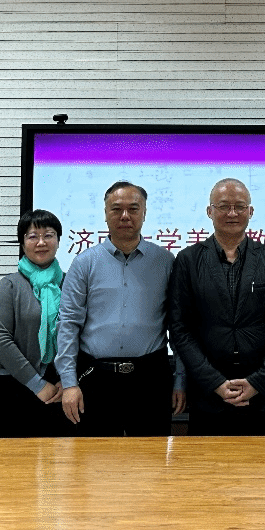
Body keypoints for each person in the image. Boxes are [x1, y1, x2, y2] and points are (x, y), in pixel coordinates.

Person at [56, 181, 184, 436]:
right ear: (105, 213)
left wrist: (180, 378)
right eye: (116, 209)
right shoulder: (84, 263)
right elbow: (68, 325)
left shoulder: (165, 261)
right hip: (96, 378)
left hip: (151, 378)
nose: (125, 216)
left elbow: (178, 325)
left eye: (133, 209)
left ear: (144, 213)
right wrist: (69, 383)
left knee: (152, 457)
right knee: (95, 458)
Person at [168, 178, 265, 436]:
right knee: (208, 463)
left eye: (240, 206)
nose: (232, 213)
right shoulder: (188, 260)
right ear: (210, 211)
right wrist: (215, 382)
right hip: (208, 396)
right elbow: (180, 329)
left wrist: (257, 381)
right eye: (224, 206)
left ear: (251, 211)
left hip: (263, 395)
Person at [0, 209, 75, 438]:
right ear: (22, 243)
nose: (41, 242)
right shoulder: (9, 286)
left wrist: (69, 381)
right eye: (33, 236)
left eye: (49, 235)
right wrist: (37, 384)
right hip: (17, 387)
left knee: (62, 458)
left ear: (59, 240)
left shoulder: (72, 284)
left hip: (62, 390)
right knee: (14, 459)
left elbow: (81, 334)